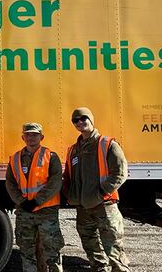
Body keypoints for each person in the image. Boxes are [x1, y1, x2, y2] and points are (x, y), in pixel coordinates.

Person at [63, 107, 129, 272]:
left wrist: (101, 193)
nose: (80, 122)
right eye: (75, 120)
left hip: (104, 205)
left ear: (91, 120)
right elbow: (68, 176)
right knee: (89, 242)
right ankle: (99, 268)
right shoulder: (73, 150)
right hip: (83, 207)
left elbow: (120, 172)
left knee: (113, 245)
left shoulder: (107, 144)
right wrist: (70, 195)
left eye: (83, 118)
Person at [5, 122, 64, 272]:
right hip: (25, 211)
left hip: (46, 210)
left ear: (41, 137)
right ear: (23, 137)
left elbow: (55, 181)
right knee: (26, 251)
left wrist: (37, 201)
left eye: (34, 134)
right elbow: (10, 183)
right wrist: (21, 201)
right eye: (28, 134)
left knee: (52, 251)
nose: (31, 137)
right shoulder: (15, 158)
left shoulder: (51, 157)